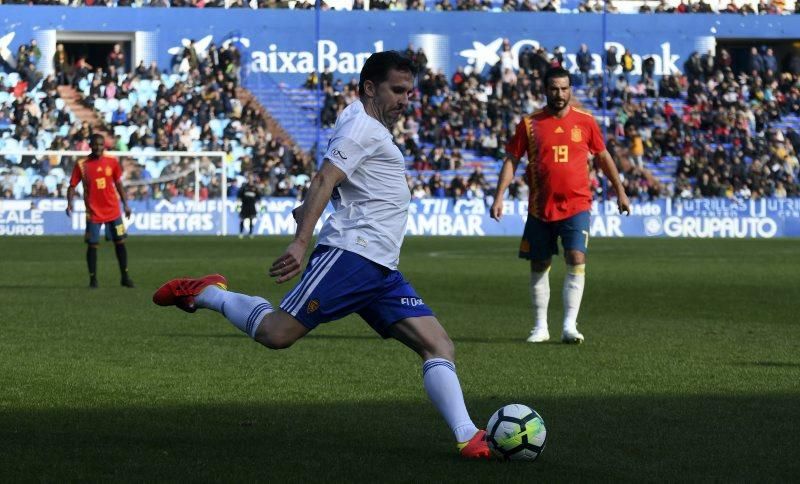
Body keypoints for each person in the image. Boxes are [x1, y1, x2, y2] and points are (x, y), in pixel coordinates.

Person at [152, 51, 491, 460]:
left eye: (409, 92)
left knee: (439, 345)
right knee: (277, 334)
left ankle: (469, 437)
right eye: (397, 90)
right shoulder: (361, 127)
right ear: (370, 88)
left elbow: (338, 184)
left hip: (381, 269)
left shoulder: (366, 126)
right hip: (351, 257)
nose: (406, 99)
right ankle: (210, 293)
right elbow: (325, 177)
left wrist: (310, 206)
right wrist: (300, 240)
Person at [490, 67, 631, 344]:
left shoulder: (586, 122)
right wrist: (499, 196)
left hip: (577, 204)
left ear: (570, 90)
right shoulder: (529, 124)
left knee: (576, 257)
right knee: (539, 263)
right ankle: (540, 327)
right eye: (554, 88)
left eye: (565, 88)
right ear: (545, 90)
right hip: (540, 207)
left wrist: (621, 191)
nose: (560, 94)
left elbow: (603, 157)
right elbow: (512, 159)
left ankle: (569, 325)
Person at [66, 133, 134, 289]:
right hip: (93, 212)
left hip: (113, 211)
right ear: (90, 145)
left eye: (101, 145)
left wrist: (126, 204)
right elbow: (72, 185)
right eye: (95, 144)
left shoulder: (112, 162)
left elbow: (118, 184)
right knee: (92, 245)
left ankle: (125, 277)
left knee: (120, 243)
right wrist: (69, 203)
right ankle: (93, 280)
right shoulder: (82, 164)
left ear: (105, 146)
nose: (98, 147)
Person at [237, 173, 260, 239]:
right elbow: (239, 196)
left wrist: (259, 202)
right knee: (242, 219)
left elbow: (258, 197)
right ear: (248, 179)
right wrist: (238, 203)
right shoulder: (244, 187)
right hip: (244, 205)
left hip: (252, 205)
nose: (250, 179)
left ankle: (250, 233)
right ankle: (241, 233)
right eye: (249, 178)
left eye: (251, 178)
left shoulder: (255, 188)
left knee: (251, 219)